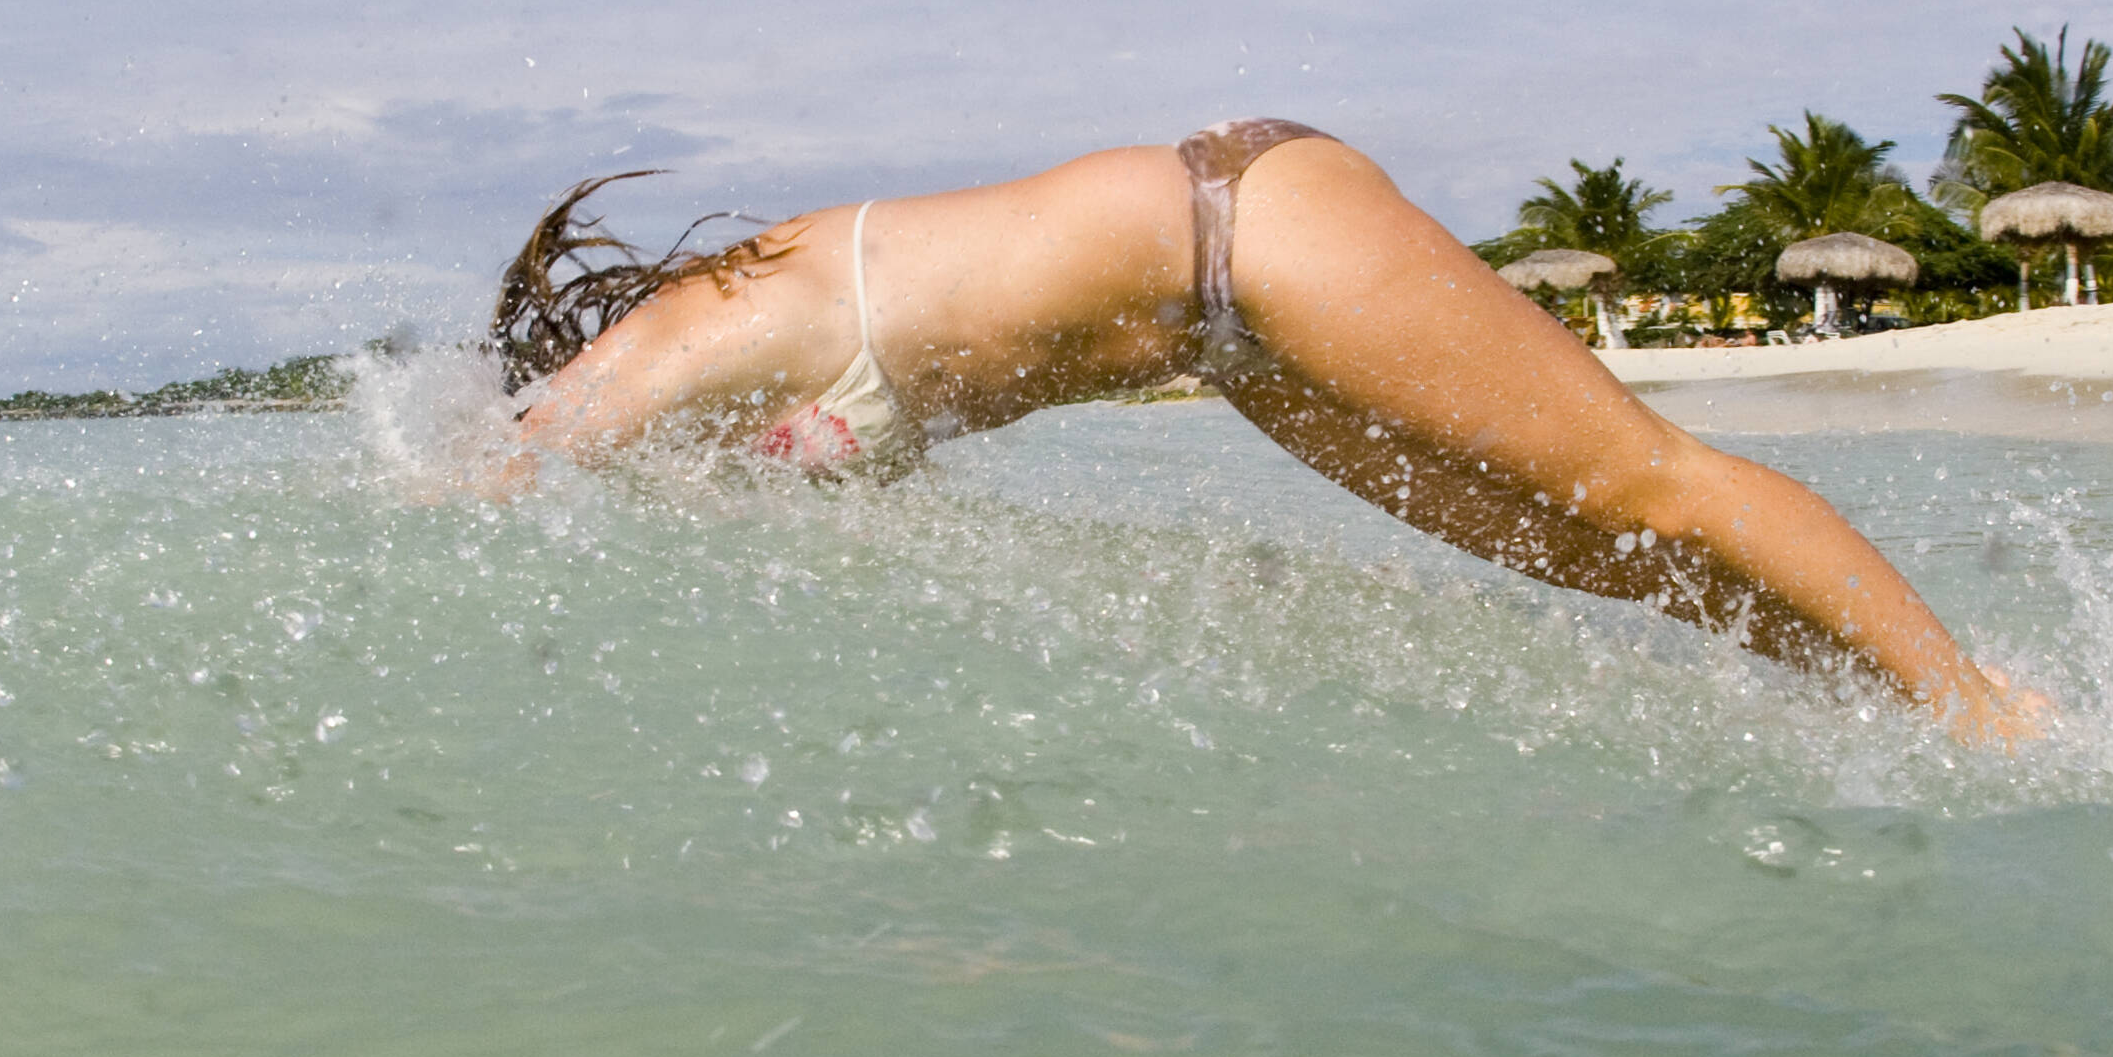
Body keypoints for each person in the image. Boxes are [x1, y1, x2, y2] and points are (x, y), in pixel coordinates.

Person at [486, 122, 2033, 732]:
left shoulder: (699, 319)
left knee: (1652, 486)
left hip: (1250, 232)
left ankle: (1988, 715)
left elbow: (534, 451)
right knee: (1602, 553)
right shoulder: (736, 380)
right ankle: (1881, 696)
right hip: (1236, 338)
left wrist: (429, 487)